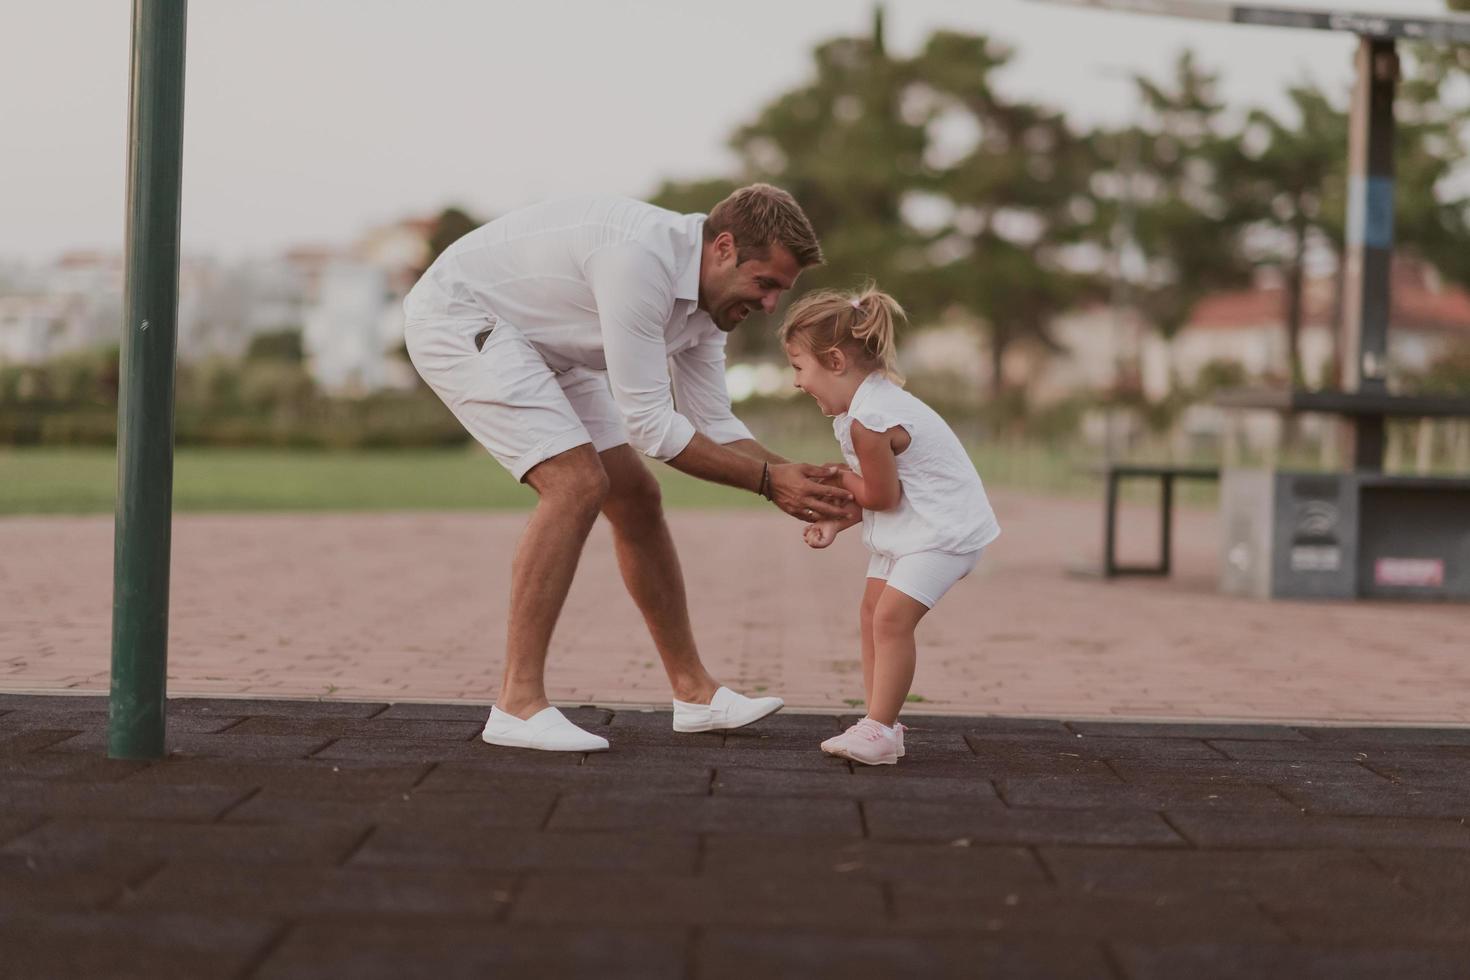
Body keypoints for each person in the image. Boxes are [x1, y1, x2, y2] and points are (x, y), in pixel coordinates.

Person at [403, 185, 852, 752]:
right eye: (764, 285)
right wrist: (769, 483)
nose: (769, 306)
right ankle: (517, 705)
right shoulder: (641, 262)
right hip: (459, 316)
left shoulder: (712, 307)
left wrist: (805, 480)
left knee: (635, 495)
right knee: (576, 484)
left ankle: (694, 694)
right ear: (723, 248)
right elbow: (651, 427)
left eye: (778, 292)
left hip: (543, 345)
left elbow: (712, 422)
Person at [780, 286, 1000, 765]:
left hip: (943, 533)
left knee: (890, 619)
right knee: (870, 612)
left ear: (835, 360)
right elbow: (884, 491)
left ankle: (878, 729)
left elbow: (880, 494)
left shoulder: (872, 419)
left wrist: (839, 477)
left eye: (799, 366)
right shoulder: (862, 411)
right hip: (913, 526)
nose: (797, 382)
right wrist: (839, 519)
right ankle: (881, 724)